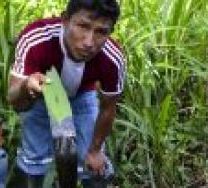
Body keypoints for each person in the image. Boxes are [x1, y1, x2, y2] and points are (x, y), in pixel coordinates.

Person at [7, 0, 125, 187]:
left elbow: (108, 108)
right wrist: (26, 88)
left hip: (83, 95)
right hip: (40, 91)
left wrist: (95, 150)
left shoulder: (112, 58)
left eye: (101, 32)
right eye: (82, 26)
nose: (89, 42)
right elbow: (14, 99)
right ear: (65, 20)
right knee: (34, 157)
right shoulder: (36, 39)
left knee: (92, 166)